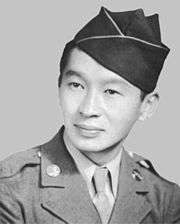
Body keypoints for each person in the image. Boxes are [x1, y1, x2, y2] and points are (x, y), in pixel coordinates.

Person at [0, 6, 180, 224]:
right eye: (76, 85)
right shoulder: (12, 188)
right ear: (58, 88)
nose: (88, 109)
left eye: (111, 91)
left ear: (147, 106)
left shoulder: (165, 198)